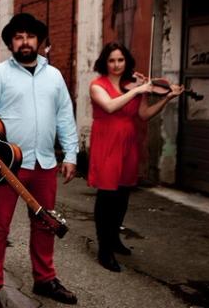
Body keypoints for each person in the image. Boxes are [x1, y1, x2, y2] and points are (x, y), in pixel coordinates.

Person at [0, 13, 79, 307]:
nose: (25, 42)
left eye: (30, 36)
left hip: (45, 163)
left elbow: (64, 116)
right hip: (7, 165)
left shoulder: (54, 76)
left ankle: (45, 279)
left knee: (45, 224)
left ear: (39, 41)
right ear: (11, 43)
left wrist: (71, 153)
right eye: (18, 37)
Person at [88, 42, 183, 272]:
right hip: (107, 142)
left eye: (120, 60)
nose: (116, 65)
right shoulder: (97, 85)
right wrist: (138, 90)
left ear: (126, 61)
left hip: (128, 144)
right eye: (111, 60)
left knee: (123, 195)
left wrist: (166, 98)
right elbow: (110, 106)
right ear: (105, 62)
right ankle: (104, 249)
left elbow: (144, 114)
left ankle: (114, 238)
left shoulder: (134, 85)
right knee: (107, 196)